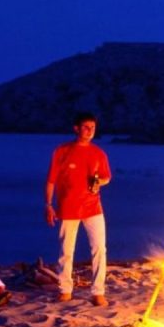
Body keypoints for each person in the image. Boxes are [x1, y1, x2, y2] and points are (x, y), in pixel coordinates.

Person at [46, 112, 111, 306]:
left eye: (93, 127)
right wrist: (48, 205)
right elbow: (51, 181)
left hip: (93, 207)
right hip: (68, 207)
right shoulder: (62, 151)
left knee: (99, 248)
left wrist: (99, 182)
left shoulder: (99, 153)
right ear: (76, 128)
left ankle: (98, 292)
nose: (90, 131)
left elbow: (107, 177)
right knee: (66, 250)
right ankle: (65, 289)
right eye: (86, 127)